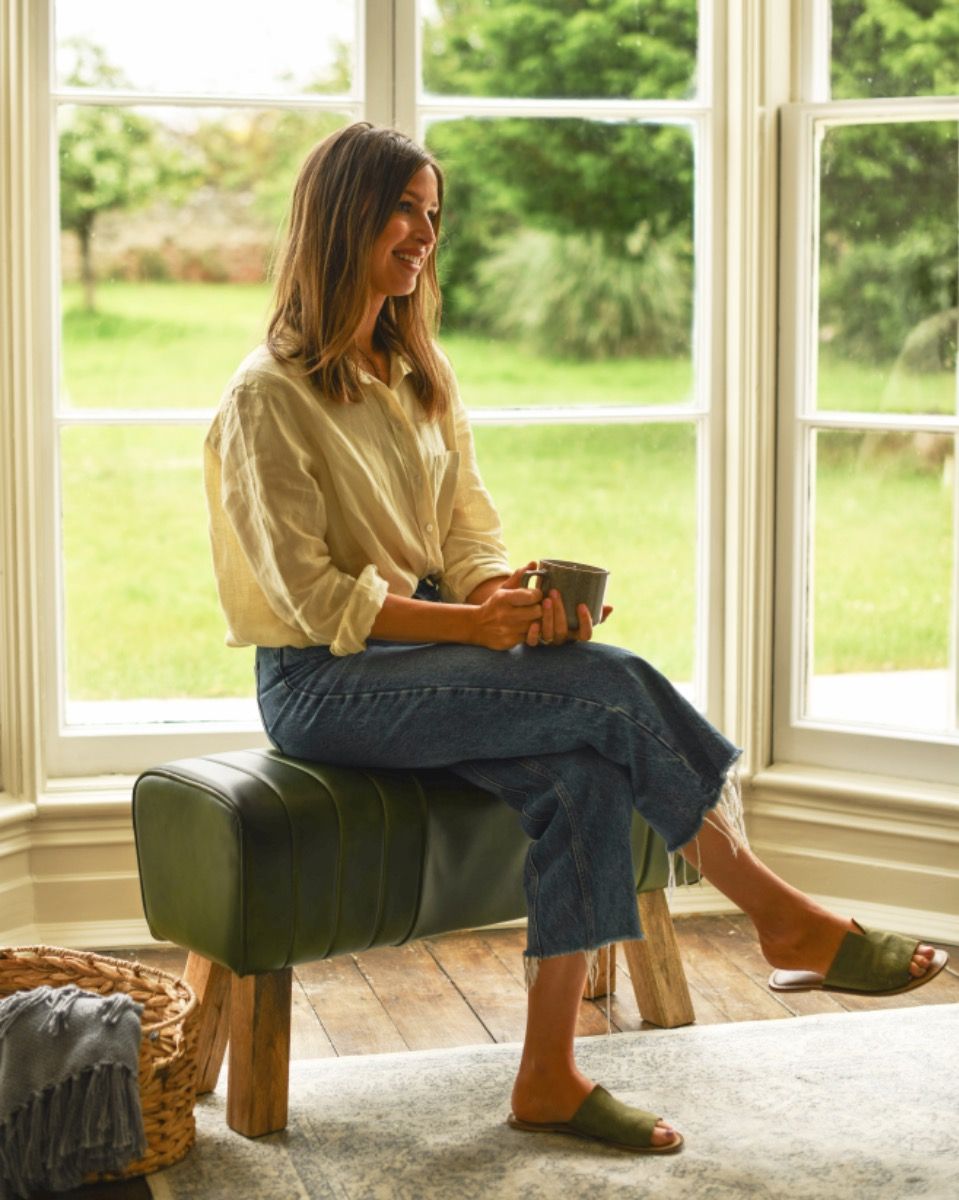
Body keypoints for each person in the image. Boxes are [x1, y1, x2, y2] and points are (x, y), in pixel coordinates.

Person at [204, 122, 948, 1155]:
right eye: (402, 208)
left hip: (433, 656)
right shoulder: (265, 394)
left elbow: (466, 534)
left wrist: (512, 596)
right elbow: (314, 594)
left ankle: (548, 1075)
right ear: (339, 218)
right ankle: (778, 914)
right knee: (608, 689)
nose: (423, 231)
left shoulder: (418, 372)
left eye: (433, 212)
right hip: (326, 683)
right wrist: (474, 624)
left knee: (586, 772)